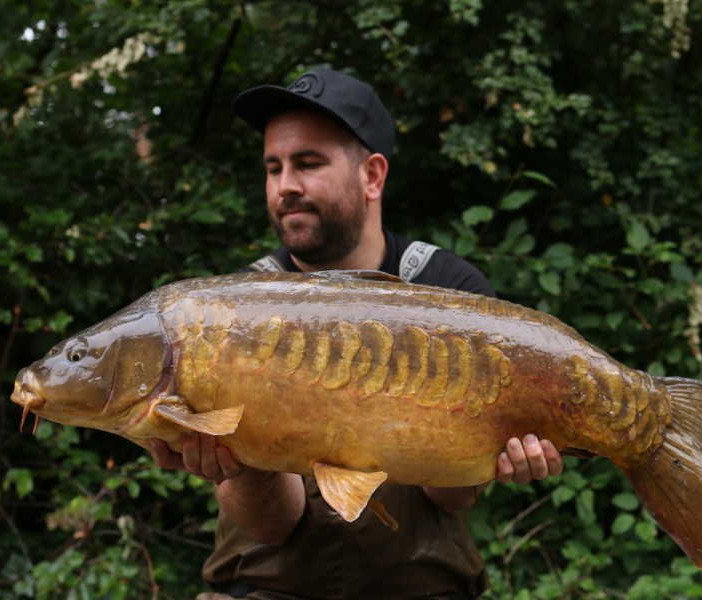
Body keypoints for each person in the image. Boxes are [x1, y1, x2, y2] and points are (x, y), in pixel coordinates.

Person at [149, 68, 564, 600]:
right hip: (269, 587)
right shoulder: (233, 310)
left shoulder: (449, 290)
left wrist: (494, 451)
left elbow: (454, 499)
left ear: (372, 176)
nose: (285, 186)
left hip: (420, 584)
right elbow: (274, 526)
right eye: (273, 168)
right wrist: (234, 463)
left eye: (308, 163)